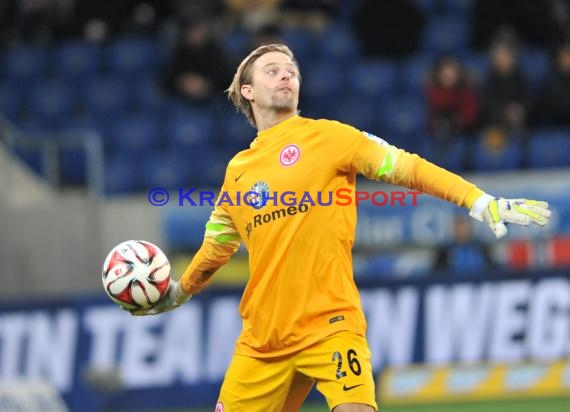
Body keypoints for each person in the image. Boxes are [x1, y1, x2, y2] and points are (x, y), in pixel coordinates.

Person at [128, 44, 551, 411]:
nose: (287, 74)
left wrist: (477, 201)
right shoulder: (238, 172)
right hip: (262, 343)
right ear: (248, 91)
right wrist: (181, 290)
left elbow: (408, 167)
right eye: (273, 70)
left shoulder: (331, 138)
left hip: (330, 325)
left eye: (291, 69)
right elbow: (217, 246)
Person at [425, 54, 479, 142]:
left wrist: (457, 120)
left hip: (462, 135)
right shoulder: (431, 93)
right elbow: (427, 117)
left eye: (452, 76)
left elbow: (470, 116)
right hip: (434, 137)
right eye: (445, 76)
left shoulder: (466, 93)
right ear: (438, 75)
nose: (449, 79)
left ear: (458, 75)